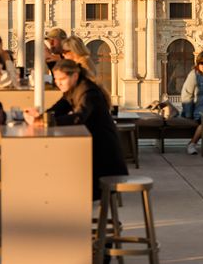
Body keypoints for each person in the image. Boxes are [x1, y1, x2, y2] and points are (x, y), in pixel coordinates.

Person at [24, 59, 127, 200]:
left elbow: (79, 117)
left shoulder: (88, 91)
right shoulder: (73, 90)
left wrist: (44, 122)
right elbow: (57, 110)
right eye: (56, 79)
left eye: (62, 79)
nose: (58, 83)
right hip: (93, 149)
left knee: (69, 183)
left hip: (104, 157)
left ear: (74, 76)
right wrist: (41, 117)